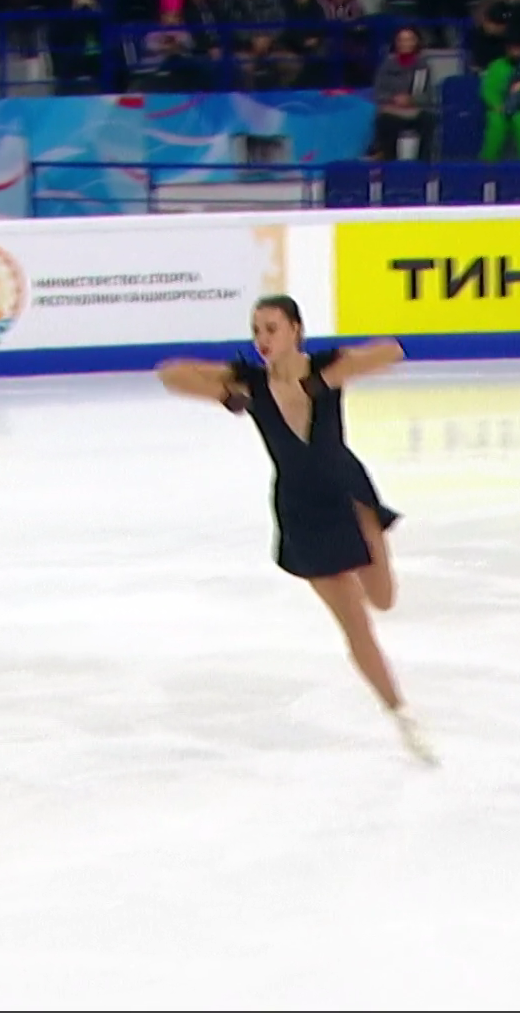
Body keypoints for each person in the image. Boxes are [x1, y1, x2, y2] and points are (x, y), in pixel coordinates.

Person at [155, 296, 435, 765]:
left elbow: (392, 350)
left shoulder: (326, 369)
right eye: (257, 330)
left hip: (349, 497)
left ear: (296, 330)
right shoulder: (248, 382)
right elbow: (171, 373)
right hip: (302, 514)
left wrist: (330, 374)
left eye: (272, 328)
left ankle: (361, 584)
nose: (262, 339)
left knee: (384, 599)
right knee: (356, 626)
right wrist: (224, 391)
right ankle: (402, 716)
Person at [368, 26, 434, 160]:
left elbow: (427, 95)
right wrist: (393, 99)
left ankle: (424, 164)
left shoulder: (422, 66)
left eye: (409, 39)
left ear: (416, 42)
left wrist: (411, 100)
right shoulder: (387, 65)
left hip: (414, 110)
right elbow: (378, 92)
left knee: (428, 119)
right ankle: (387, 160)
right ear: (396, 42)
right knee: (385, 121)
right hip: (391, 110)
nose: (405, 43)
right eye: (401, 40)